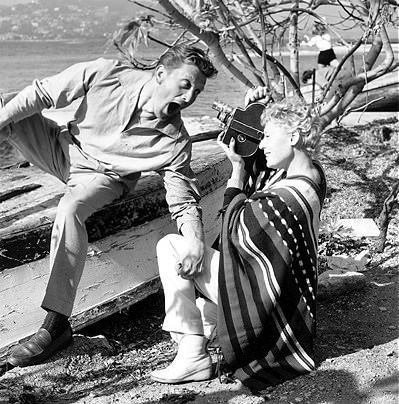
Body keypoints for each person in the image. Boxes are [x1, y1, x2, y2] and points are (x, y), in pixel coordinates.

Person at [0, 44, 217, 368]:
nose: (189, 97)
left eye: (197, 91)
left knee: (71, 209)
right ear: (160, 74)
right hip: (62, 148)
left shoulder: (174, 141)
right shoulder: (104, 73)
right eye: (185, 84)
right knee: (5, 104)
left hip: (103, 178)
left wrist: (196, 241)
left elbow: (183, 200)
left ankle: (56, 323)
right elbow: (41, 93)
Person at [151, 90, 327, 389]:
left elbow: (233, 227)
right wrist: (249, 111)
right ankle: (203, 331)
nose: (263, 143)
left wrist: (236, 169)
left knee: (170, 247)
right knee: (205, 309)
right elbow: (262, 171)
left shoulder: (284, 198)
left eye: (269, 136)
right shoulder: (312, 176)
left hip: (265, 306)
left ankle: (193, 354)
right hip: (285, 296)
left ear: (294, 136)